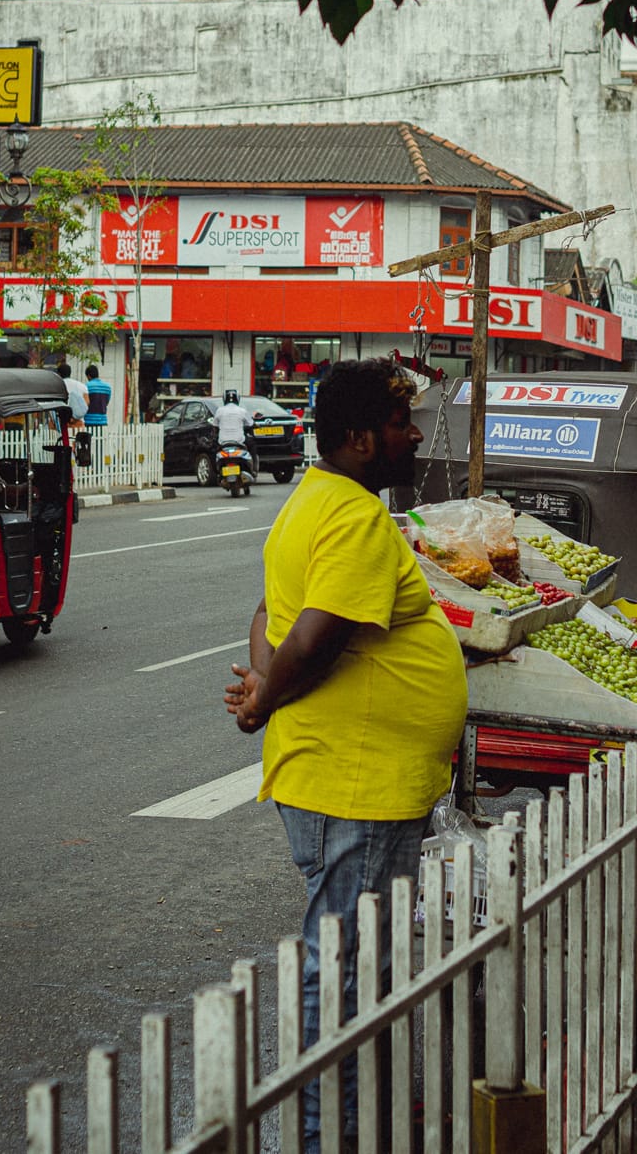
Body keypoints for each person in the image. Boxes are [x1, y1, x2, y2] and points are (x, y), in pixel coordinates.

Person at [224, 359, 467, 1153]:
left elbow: (268, 617)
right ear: (362, 439)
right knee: (344, 971)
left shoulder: (314, 501)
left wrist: (264, 682)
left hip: (346, 776)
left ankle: (369, 1127)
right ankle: (326, 1135)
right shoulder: (356, 517)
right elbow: (313, 635)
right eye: (402, 424)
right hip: (355, 781)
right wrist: (265, 697)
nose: (416, 434)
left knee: (364, 968)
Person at [214, 388, 255, 481]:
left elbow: (215, 426)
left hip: (223, 442)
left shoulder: (219, 411)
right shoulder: (242, 411)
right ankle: (254, 470)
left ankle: (217, 472)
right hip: (239, 441)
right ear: (238, 398)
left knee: (213, 449)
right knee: (252, 445)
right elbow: (251, 424)